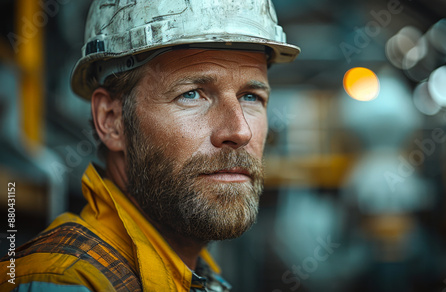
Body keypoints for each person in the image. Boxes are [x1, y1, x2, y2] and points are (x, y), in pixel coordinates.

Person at [0, 0, 299, 291]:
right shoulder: (64, 282)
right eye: (192, 94)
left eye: (251, 97)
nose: (240, 131)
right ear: (112, 120)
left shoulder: (196, 276)